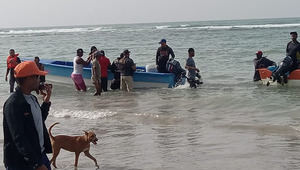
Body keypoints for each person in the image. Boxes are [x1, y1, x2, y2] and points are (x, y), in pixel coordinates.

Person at [3, 61, 52, 170]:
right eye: (38, 77)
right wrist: (36, 164)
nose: (40, 80)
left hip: (39, 155)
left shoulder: (32, 98)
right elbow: (19, 137)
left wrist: (46, 101)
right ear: (29, 78)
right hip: (21, 162)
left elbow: (38, 121)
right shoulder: (13, 104)